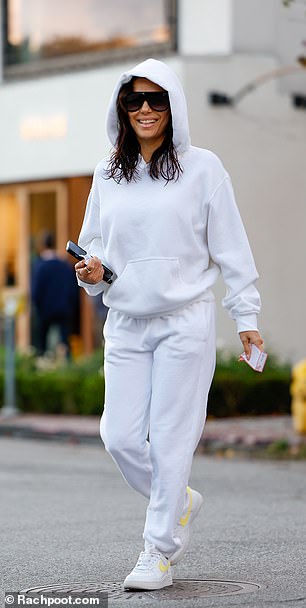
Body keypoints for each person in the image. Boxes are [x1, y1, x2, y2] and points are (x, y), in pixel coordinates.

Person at [75, 58, 264, 591]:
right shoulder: (107, 173)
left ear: (173, 106)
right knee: (119, 437)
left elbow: (232, 249)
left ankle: (158, 551)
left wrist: (246, 316)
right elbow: (94, 247)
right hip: (127, 319)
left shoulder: (204, 168)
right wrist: (91, 272)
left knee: (171, 442)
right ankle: (179, 499)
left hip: (186, 320)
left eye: (156, 100)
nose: (145, 110)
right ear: (122, 108)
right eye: (134, 100)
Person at [32, 231, 79, 357]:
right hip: (63, 309)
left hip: (45, 311)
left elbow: (36, 291)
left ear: (42, 245)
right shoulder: (64, 265)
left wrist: (38, 306)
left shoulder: (40, 266)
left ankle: (43, 367)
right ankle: (66, 366)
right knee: (64, 341)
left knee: (42, 344)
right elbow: (73, 289)